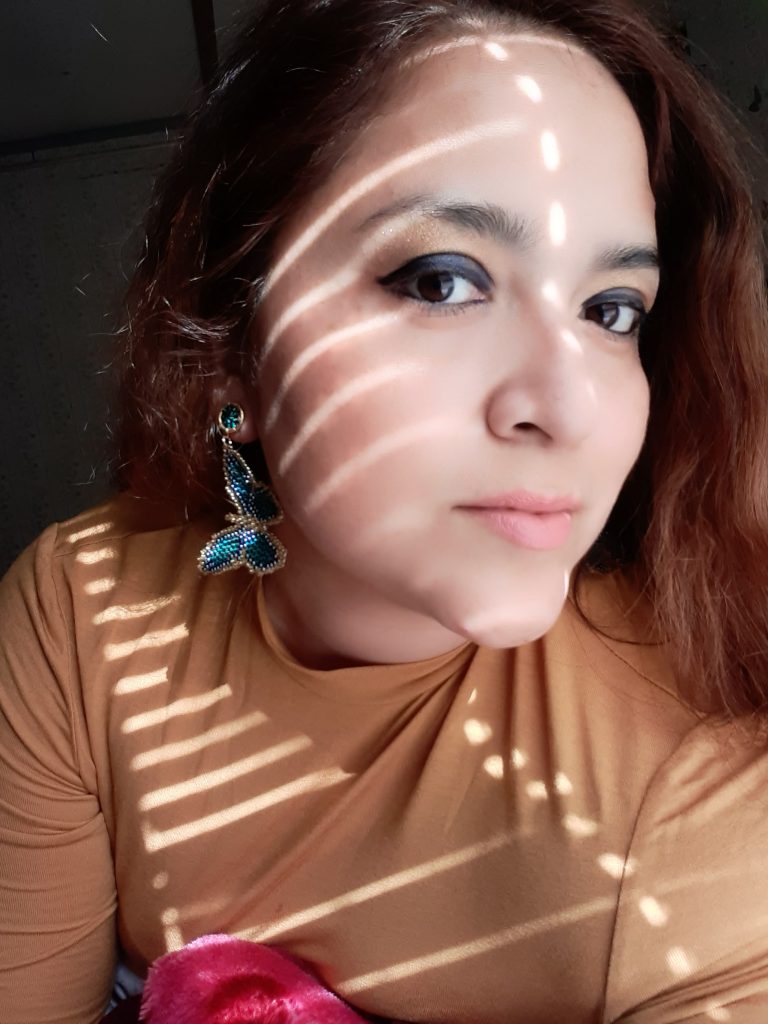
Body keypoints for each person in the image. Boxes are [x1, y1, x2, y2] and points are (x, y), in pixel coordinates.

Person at [2, 0, 768, 1021]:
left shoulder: (698, 808)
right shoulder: (85, 610)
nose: (572, 406)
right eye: (442, 280)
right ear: (232, 345)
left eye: (611, 309)